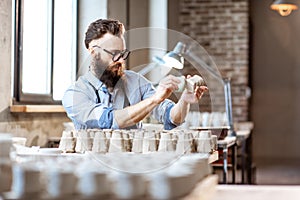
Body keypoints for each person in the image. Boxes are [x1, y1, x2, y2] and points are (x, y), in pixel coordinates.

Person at [62, 18, 208, 130]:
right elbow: (109, 121)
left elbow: (172, 118)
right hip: (92, 167)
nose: (119, 60)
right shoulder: (75, 94)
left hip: (132, 164)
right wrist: (155, 99)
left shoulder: (136, 81)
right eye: (113, 54)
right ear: (93, 52)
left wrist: (184, 101)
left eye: (122, 53)